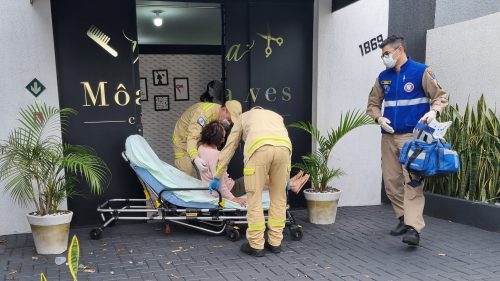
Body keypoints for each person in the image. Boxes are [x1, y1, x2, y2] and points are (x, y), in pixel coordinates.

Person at [366, 35, 449, 246]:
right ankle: (403, 219)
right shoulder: (383, 77)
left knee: (412, 182)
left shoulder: (421, 71)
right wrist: (378, 118)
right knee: (391, 183)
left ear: (399, 50)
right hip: (388, 137)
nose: (384, 57)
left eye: (386, 53)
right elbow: (372, 103)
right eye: (382, 54)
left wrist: (434, 111)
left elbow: (440, 96)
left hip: (412, 139)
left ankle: (414, 229)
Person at [208, 107, 292, 257]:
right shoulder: (276, 115)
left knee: (254, 199)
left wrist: (217, 175)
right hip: (284, 150)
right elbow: (282, 140)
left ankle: (256, 244)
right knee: (279, 198)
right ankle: (275, 243)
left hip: (258, 150)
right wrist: (286, 177)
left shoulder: (243, 118)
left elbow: (229, 148)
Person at [198, 121, 310, 207]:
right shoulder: (215, 155)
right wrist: (233, 199)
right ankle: (291, 185)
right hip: (230, 189)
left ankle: (290, 183)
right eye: (222, 137)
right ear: (216, 138)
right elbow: (219, 182)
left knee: (263, 180)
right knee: (261, 178)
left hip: (225, 187)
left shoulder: (201, 148)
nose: (223, 140)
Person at [171, 100, 242, 178]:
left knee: (204, 171)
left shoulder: (220, 117)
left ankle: (203, 189)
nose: (228, 123)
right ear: (223, 109)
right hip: (181, 140)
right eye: (228, 119)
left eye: (231, 122)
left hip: (198, 139)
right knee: (187, 170)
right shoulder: (203, 113)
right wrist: (195, 158)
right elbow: (193, 137)